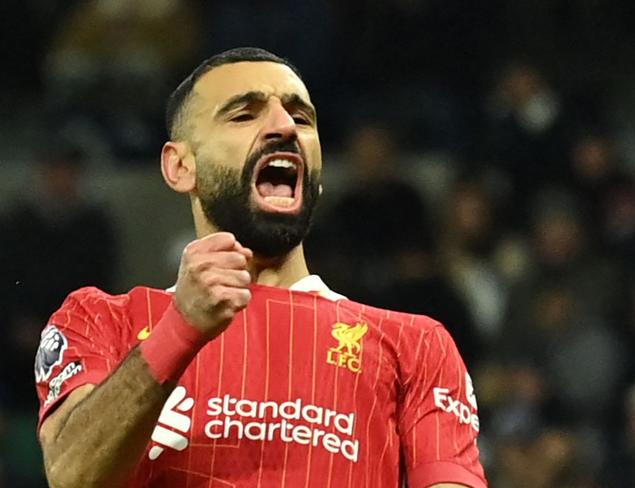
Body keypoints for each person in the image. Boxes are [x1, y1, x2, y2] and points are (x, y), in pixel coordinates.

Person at [34, 47, 487, 488]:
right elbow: (73, 474)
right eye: (243, 114)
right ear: (179, 167)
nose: (284, 126)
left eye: (301, 117)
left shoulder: (415, 345)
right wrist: (179, 332)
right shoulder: (100, 319)